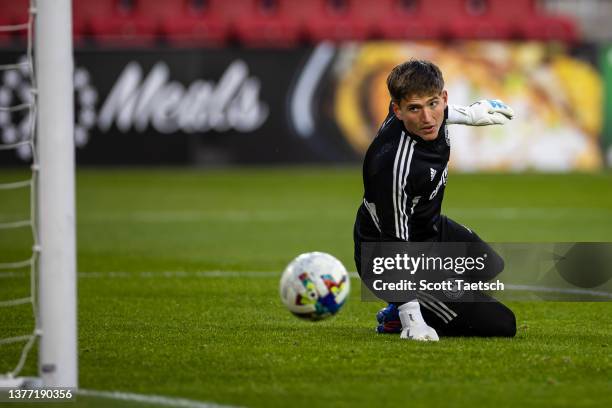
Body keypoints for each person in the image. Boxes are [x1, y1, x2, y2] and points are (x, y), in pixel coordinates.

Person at [353, 59, 516, 341]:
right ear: (397, 111)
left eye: (433, 104)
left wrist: (469, 115)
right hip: (387, 255)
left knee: (489, 265)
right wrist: (411, 318)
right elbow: (394, 244)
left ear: (444, 98)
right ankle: (402, 309)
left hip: (427, 229)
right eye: (415, 109)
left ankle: (438, 293)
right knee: (503, 324)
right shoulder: (394, 165)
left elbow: (432, 110)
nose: (428, 118)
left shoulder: (427, 118)